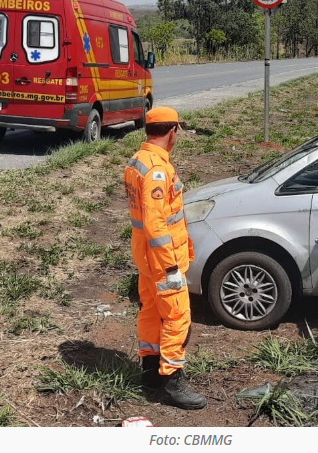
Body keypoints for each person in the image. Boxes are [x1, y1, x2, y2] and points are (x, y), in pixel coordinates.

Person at [123, 106, 206, 410]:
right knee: (176, 316)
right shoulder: (157, 169)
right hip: (163, 260)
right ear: (173, 132)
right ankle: (171, 381)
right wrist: (170, 263)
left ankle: (149, 373)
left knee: (150, 312)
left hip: (145, 257)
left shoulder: (138, 162)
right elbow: (157, 222)